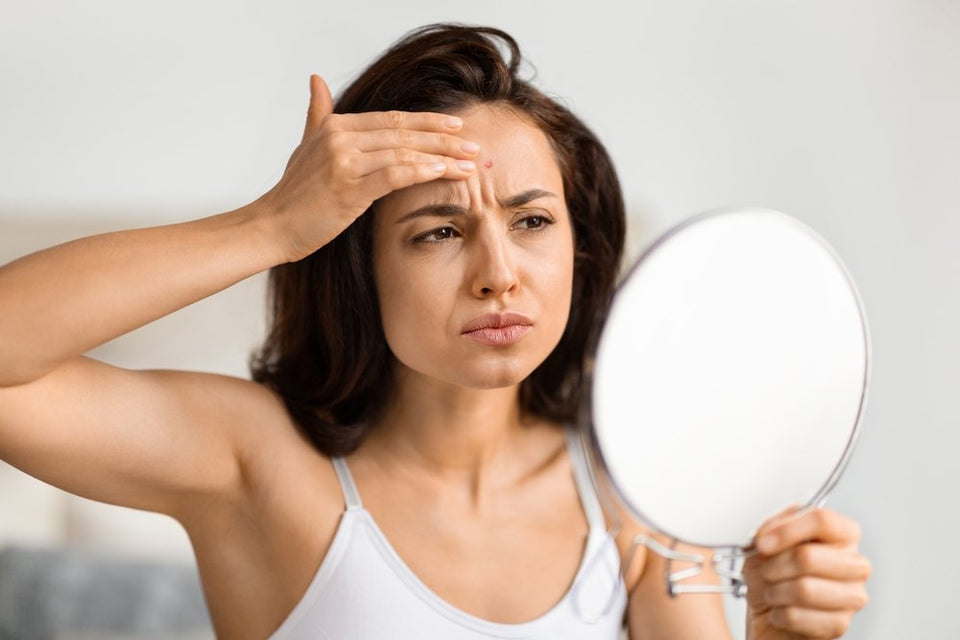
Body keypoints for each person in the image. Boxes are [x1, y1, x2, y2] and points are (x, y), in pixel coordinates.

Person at [0, 24, 870, 639]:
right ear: (357, 263)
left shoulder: (632, 498)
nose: (499, 270)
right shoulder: (259, 464)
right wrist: (271, 225)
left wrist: (784, 636)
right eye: (439, 231)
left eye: (532, 222)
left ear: (583, 248)